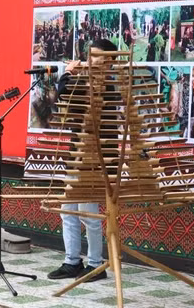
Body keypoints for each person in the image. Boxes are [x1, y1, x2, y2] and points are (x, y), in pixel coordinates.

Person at [46, 38, 119, 282]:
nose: (91, 59)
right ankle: (72, 261)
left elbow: (65, 93)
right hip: (77, 155)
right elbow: (63, 101)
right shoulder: (86, 83)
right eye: (90, 55)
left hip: (93, 160)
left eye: (97, 56)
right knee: (69, 212)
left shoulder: (107, 87)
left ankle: (96, 264)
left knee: (90, 214)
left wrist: (67, 73)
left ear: (110, 61)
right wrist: (71, 76)